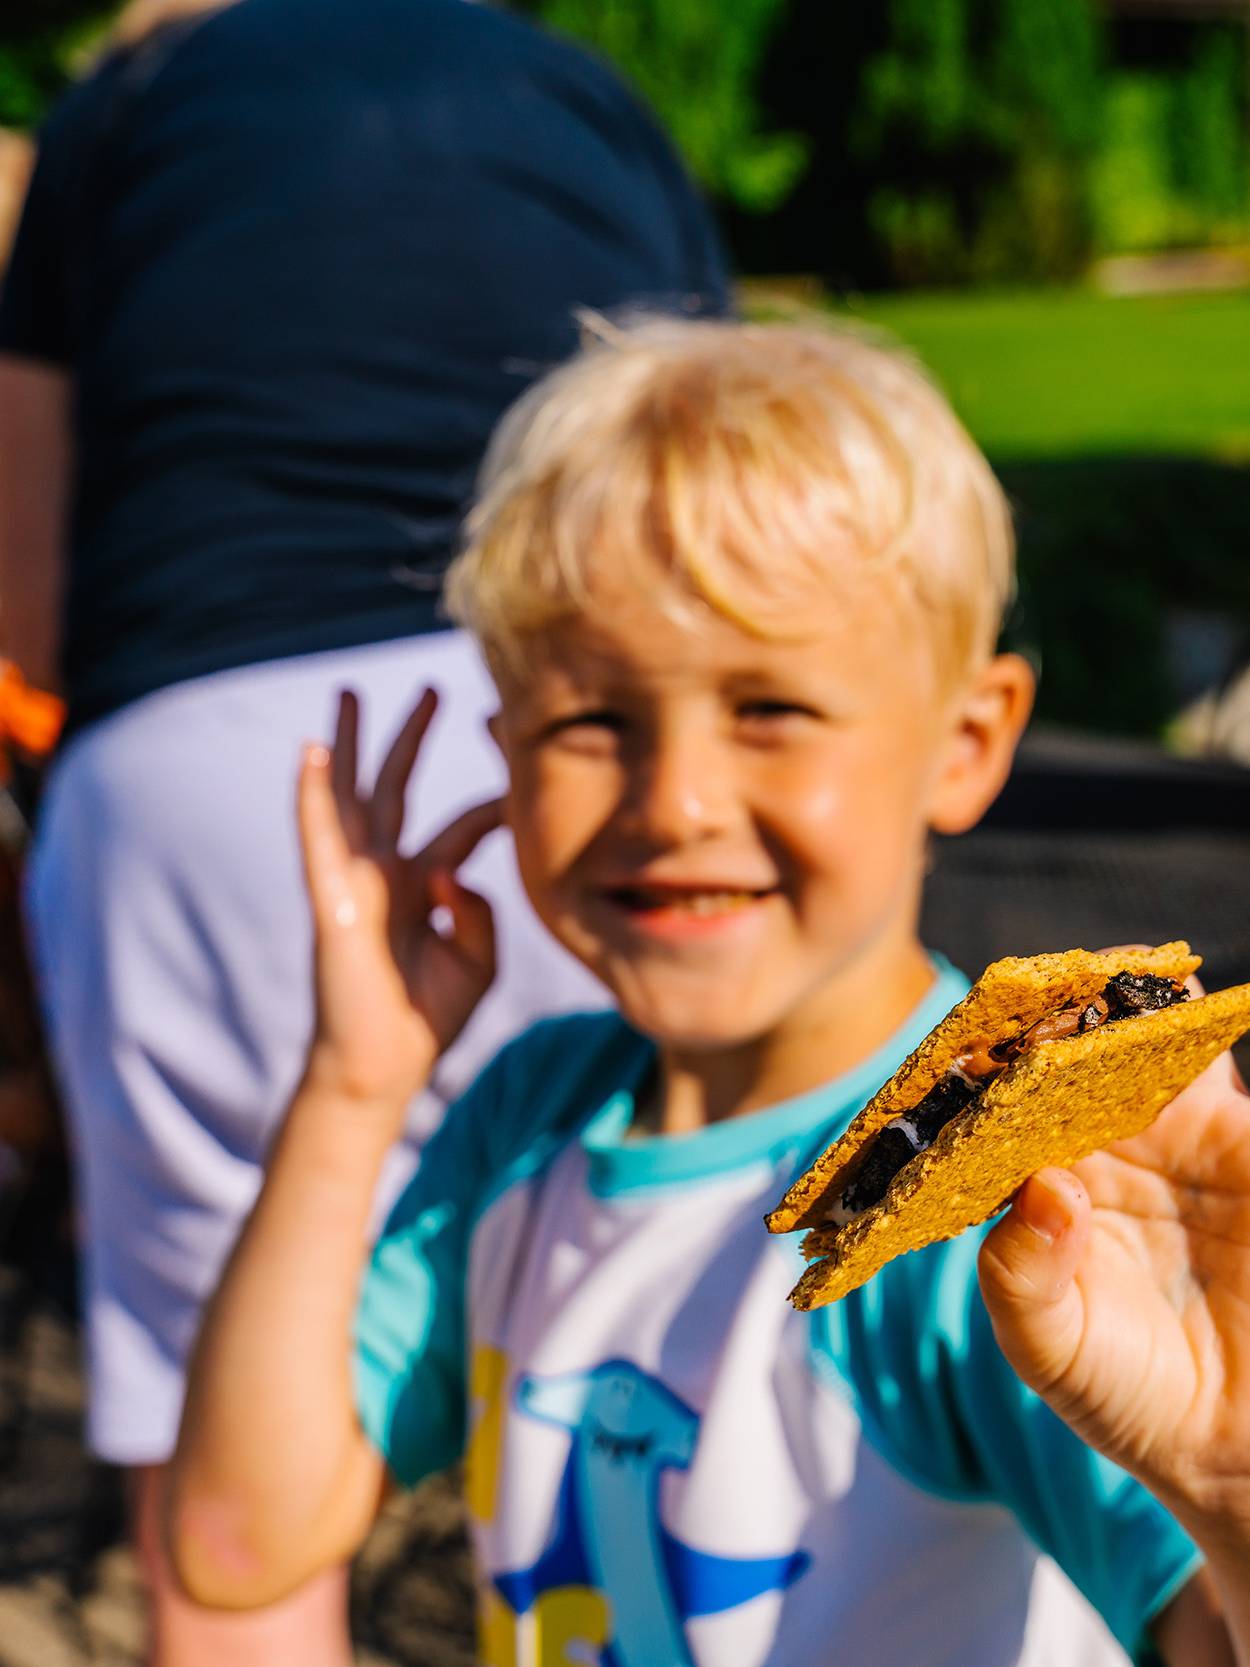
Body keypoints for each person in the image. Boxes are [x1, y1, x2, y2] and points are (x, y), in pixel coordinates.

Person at [167, 315, 1250, 1666]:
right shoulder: (528, 1119)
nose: (673, 803)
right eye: (588, 722)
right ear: (503, 751)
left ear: (964, 745)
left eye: (770, 711)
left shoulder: (988, 1202)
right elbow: (234, 1545)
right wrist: (351, 1088)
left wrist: (1225, 1482)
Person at [0, 1, 730, 1661]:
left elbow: (26, 600)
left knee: (227, 1483)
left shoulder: (130, 105)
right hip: (579, 726)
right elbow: (714, 466)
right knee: (666, 1386)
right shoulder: (583, 92)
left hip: (198, 754)